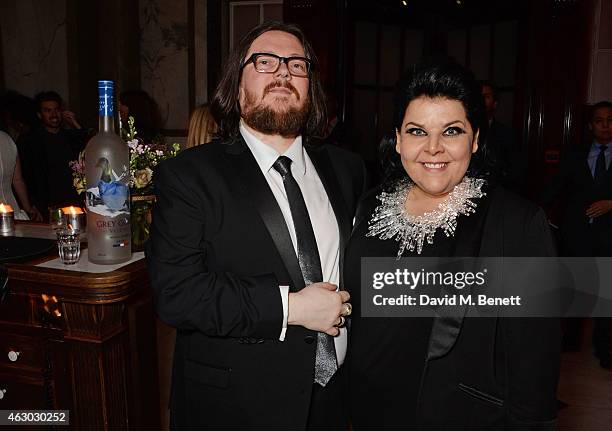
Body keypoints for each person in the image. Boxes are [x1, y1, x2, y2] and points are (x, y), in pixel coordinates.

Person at [146, 21, 368, 431]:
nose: (283, 72)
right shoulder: (189, 176)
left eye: (297, 65)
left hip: (333, 399)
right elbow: (177, 294)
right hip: (236, 405)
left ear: (311, 88)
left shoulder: (347, 169)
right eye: (266, 62)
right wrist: (292, 308)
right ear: (235, 86)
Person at [346, 60, 561, 430]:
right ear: (397, 138)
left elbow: (535, 359)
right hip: (367, 409)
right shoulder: (368, 204)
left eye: (451, 131)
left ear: (475, 139)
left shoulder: (517, 223)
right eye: (417, 131)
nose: (433, 148)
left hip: (459, 416)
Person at [541, 100, 612, 369]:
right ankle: (569, 342)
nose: (605, 125)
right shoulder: (575, 154)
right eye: (599, 120)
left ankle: (604, 349)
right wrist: (538, 211)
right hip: (578, 232)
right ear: (591, 125)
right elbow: (556, 186)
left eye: (610, 120)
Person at [17, 91, 88, 218]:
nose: (54, 115)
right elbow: (25, 176)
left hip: (74, 203)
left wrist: (75, 124)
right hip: (47, 206)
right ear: (39, 114)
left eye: (56, 110)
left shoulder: (70, 137)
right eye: (48, 111)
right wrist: (31, 205)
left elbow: (89, 149)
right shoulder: (30, 142)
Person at [475, 80, 526, 193]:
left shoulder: (506, 134)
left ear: (495, 103)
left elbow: (515, 171)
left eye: (486, 96)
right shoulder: (461, 130)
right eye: (478, 96)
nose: (481, 100)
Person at [0, 130, 42, 220]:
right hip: (12, 212)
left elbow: (17, 180)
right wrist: (28, 208)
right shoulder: (7, 139)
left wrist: (29, 209)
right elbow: (18, 180)